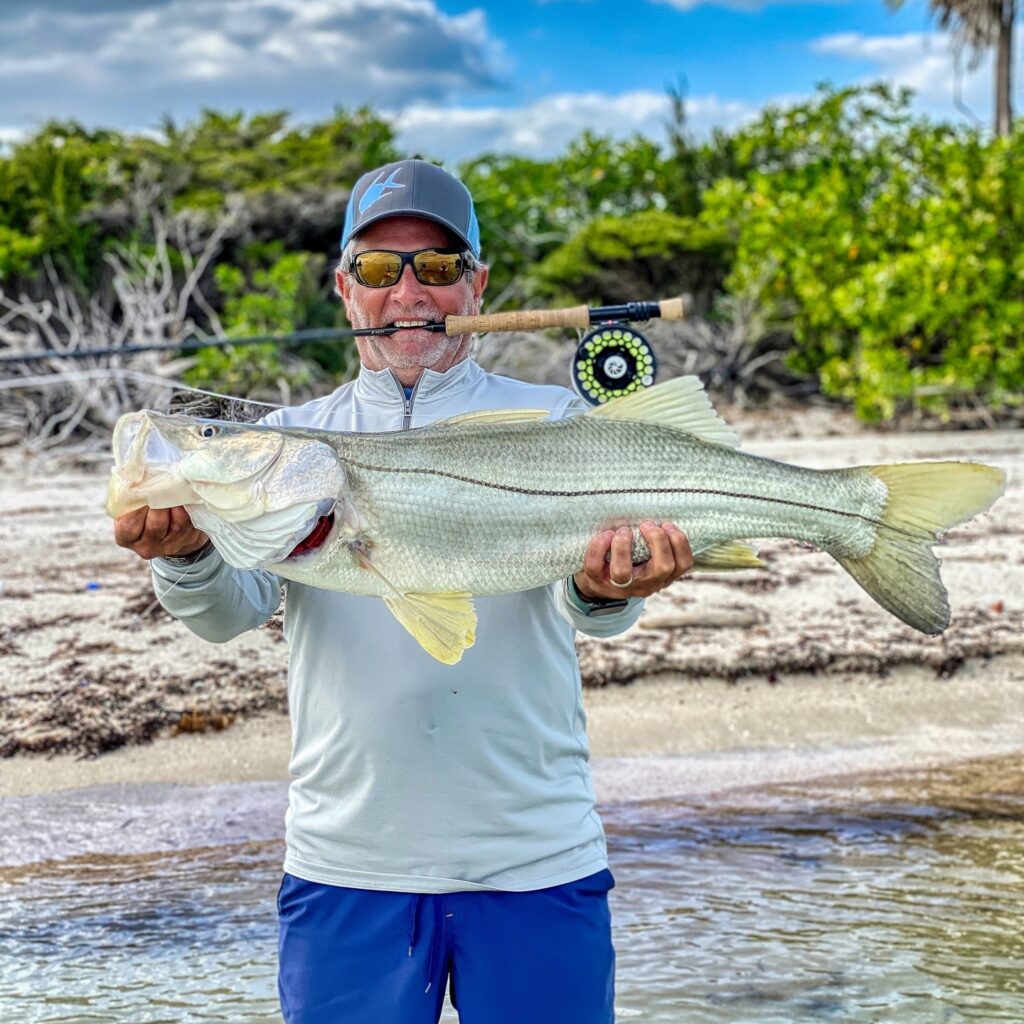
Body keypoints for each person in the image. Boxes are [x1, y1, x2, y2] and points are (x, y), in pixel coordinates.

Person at [113, 159, 694, 1024]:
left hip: (535, 858)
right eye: (382, 271)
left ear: (479, 283)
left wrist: (609, 588)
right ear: (345, 290)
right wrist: (188, 554)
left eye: (438, 267)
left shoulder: (562, 425)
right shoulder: (286, 444)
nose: (409, 291)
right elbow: (229, 612)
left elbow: (599, 614)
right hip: (347, 866)